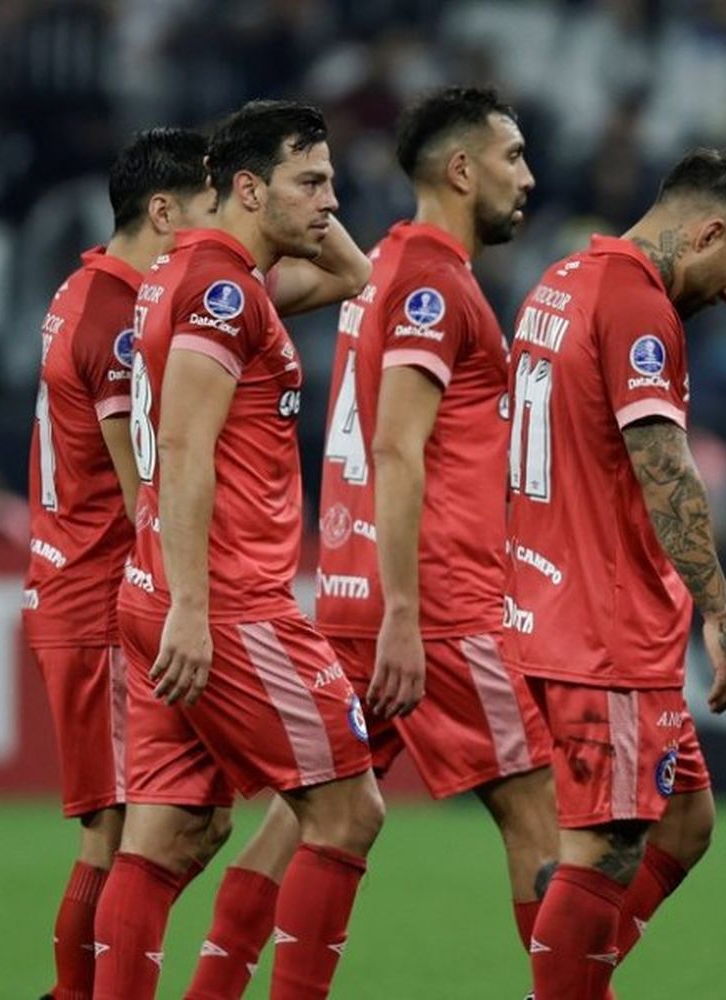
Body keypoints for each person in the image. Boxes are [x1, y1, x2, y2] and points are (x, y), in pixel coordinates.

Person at [185, 86, 558, 1000]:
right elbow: (396, 445)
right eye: (512, 157)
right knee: (545, 817)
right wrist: (407, 613)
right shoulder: (433, 281)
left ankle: (215, 986)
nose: (529, 177)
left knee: (315, 813)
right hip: (435, 603)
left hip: (357, 592)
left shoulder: (387, 266)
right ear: (462, 170)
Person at [24, 126, 369, 1000]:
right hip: (221, 597)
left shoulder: (167, 282)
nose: (332, 201)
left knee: (161, 835)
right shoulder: (217, 289)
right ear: (240, 192)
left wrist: (294, 200)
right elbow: (175, 451)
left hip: (147, 589)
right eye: (312, 181)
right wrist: (189, 600)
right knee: (346, 812)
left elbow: (352, 275)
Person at [503, 148, 726, 999]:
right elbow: (667, 467)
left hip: (547, 603)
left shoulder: (561, 280)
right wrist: (722, 615)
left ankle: (578, 977)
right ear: (709, 231)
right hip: (604, 624)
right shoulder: (636, 304)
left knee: (686, 821)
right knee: (606, 847)